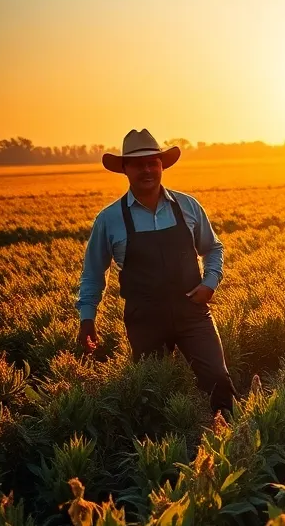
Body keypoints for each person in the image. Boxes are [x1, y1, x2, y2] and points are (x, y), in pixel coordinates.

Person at [77, 129, 235, 413]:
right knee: (153, 391)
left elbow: (213, 248)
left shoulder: (187, 206)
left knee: (218, 379)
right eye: (138, 164)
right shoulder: (110, 219)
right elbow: (93, 273)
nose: (147, 169)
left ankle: (231, 441)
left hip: (192, 312)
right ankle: (162, 449)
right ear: (125, 169)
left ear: (162, 165)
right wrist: (87, 317)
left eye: (153, 162)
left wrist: (210, 282)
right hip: (145, 320)